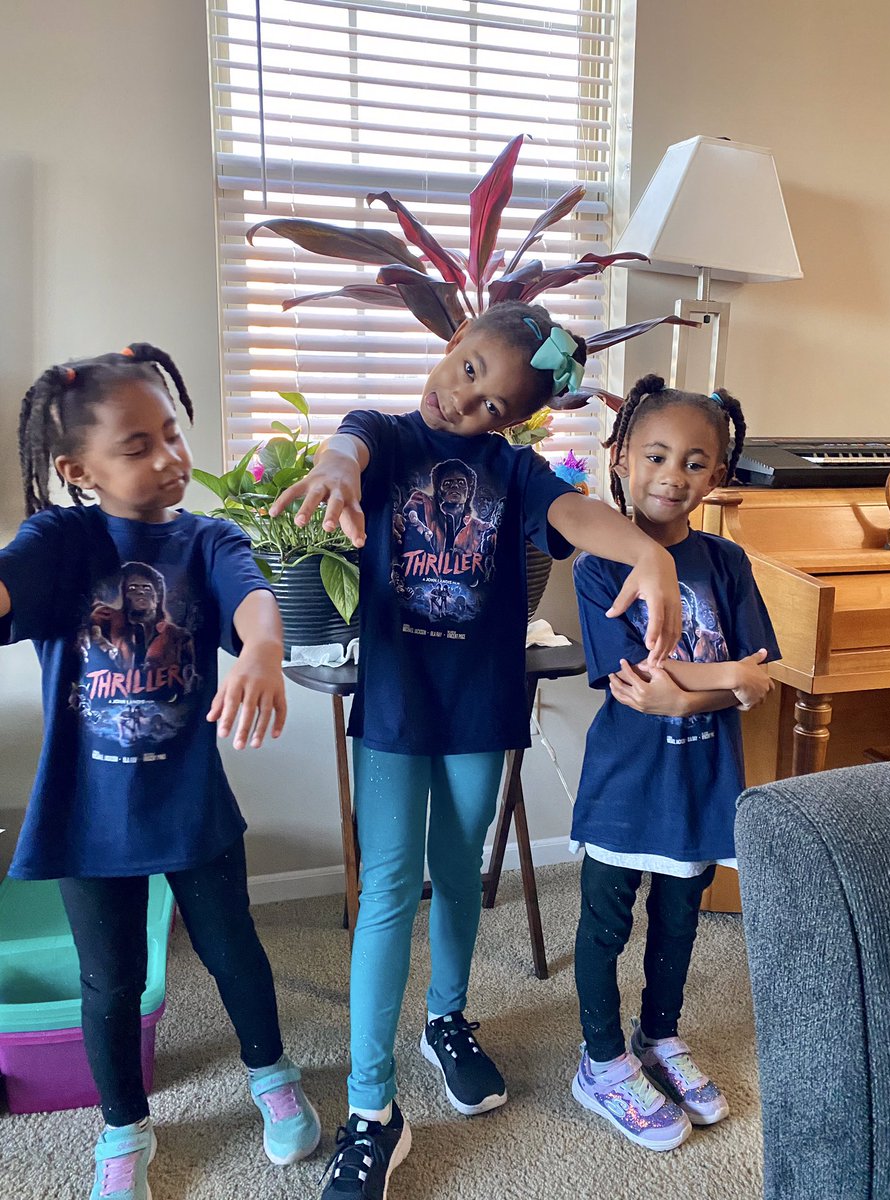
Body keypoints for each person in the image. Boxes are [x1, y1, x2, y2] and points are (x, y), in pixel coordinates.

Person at [269, 302, 685, 1200]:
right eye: (469, 377)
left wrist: (650, 555)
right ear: (451, 347)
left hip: (479, 706)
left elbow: (577, 517)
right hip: (396, 709)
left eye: (497, 406)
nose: (470, 407)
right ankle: (372, 1108)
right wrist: (335, 471)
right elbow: (348, 449)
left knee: (459, 871)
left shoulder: (517, 471)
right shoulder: (383, 432)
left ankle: (446, 1019)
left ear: (518, 421)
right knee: (388, 886)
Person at [0, 345, 320, 1200]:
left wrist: (261, 649)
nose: (170, 458)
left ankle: (271, 1075)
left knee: (233, 952)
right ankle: (122, 1129)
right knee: (108, 983)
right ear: (78, 469)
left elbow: (253, 598)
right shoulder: (59, 542)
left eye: (172, 435)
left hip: (188, 807)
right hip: (84, 814)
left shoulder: (207, 537)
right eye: (137, 446)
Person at [569, 374, 780, 1151]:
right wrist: (725, 680)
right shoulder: (598, 566)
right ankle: (600, 1062)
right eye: (656, 455)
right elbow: (638, 682)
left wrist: (700, 692)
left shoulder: (727, 563)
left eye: (696, 461)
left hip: (701, 784)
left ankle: (660, 1036)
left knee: (680, 921)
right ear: (621, 459)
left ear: (719, 474)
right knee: (604, 925)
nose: (673, 475)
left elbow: (758, 667)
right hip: (626, 787)